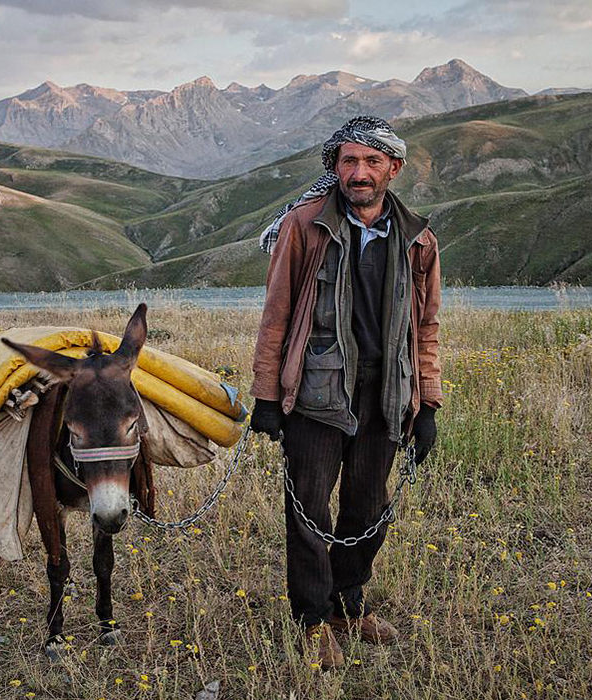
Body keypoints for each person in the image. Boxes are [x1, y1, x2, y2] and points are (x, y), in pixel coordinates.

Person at [250, 115, 443, 669]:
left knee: (368, 505)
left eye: (372, 161)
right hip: (316, 393)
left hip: (386, 394)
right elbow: (277, 315)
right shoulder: (304, 225)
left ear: (394, 169)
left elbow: (426, 328)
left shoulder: (418, 239)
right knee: (308, 506)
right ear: (335, 167)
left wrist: (427, 403)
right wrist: (268, 396)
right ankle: (311, 618)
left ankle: (346, 605)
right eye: (349, 161)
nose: (359, 173)